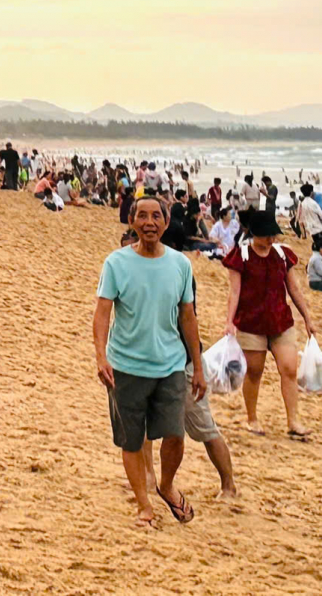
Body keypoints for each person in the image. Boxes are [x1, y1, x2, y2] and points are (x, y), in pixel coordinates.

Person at [94, 195, 206, 528]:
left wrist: (197, 366)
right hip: (125, 366)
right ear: (132, 222)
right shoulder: (116, 263)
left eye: (156, 216)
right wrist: (101, 356)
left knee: (174, 435)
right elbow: (102, 313)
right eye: (142, 216)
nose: (149, 223)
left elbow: (188, 317)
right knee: (131, 439)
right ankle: (144, 505)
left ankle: (166, 485)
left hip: (170, 364)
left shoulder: (180, 265)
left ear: (166, 223)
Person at [224, 208, 317, 440]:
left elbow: (293, 288)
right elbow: (234, 293)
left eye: (273, 234)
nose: (271, 238)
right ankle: (252, 418)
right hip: (250, 323)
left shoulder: (282, 255)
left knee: (289, 369)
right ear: (254, 233)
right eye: (266, 234)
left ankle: (293, 420)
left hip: (280, 321)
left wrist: (307, 317)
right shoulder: (241, 255)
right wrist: (229, 322)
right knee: (254, 372)